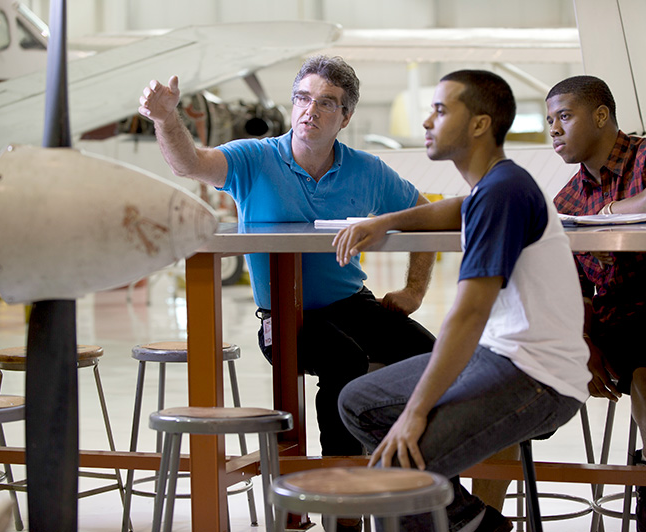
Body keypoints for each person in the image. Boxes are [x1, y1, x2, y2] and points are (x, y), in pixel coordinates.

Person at [138, 55, 436, 463]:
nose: (310, 111)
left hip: (353, 305)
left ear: (345, 117)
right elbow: (188, 164)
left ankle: (414, 468)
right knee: (344, 359)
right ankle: (340, 491)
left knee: (435, 358)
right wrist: (166, 119)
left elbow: (425, 218)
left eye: (326, 103)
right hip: (283, 317)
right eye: (302, 98)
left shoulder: (368, 171)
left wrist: (414, 289)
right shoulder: (254, 160)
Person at [334, 70, 591, 532]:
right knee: (356, 401)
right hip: (499, 358)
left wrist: (415, 414)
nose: (428, 122)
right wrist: (385, 222)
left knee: (397, 472)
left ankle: (458, 518)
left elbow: (469, 314)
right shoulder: (493, 187)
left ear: (478, 124)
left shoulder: (505, 192)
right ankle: (472, 521)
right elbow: (455, 206)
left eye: (440, 110)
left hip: (538, 377)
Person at [548, 75, 646, 532]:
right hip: (605, 330)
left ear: (601, 116)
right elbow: (571, 289)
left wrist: (606, 215)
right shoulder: (567, 198)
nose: (554, 129)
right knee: (505, 363)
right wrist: (582, 342)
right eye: (549, 121)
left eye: (565, 117)